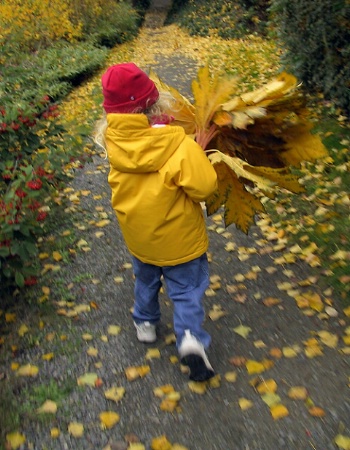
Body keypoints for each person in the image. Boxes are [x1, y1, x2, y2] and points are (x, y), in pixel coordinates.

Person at [95, 62, 218, 381]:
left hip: (140, 239)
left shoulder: (114, 143)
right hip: (181, 243)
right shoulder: (179, 145)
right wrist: (197, 153)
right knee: (186, 290)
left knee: (146, 281)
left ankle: (145, 323)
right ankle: (190, 339)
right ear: (155, 103)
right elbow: (205, 186)